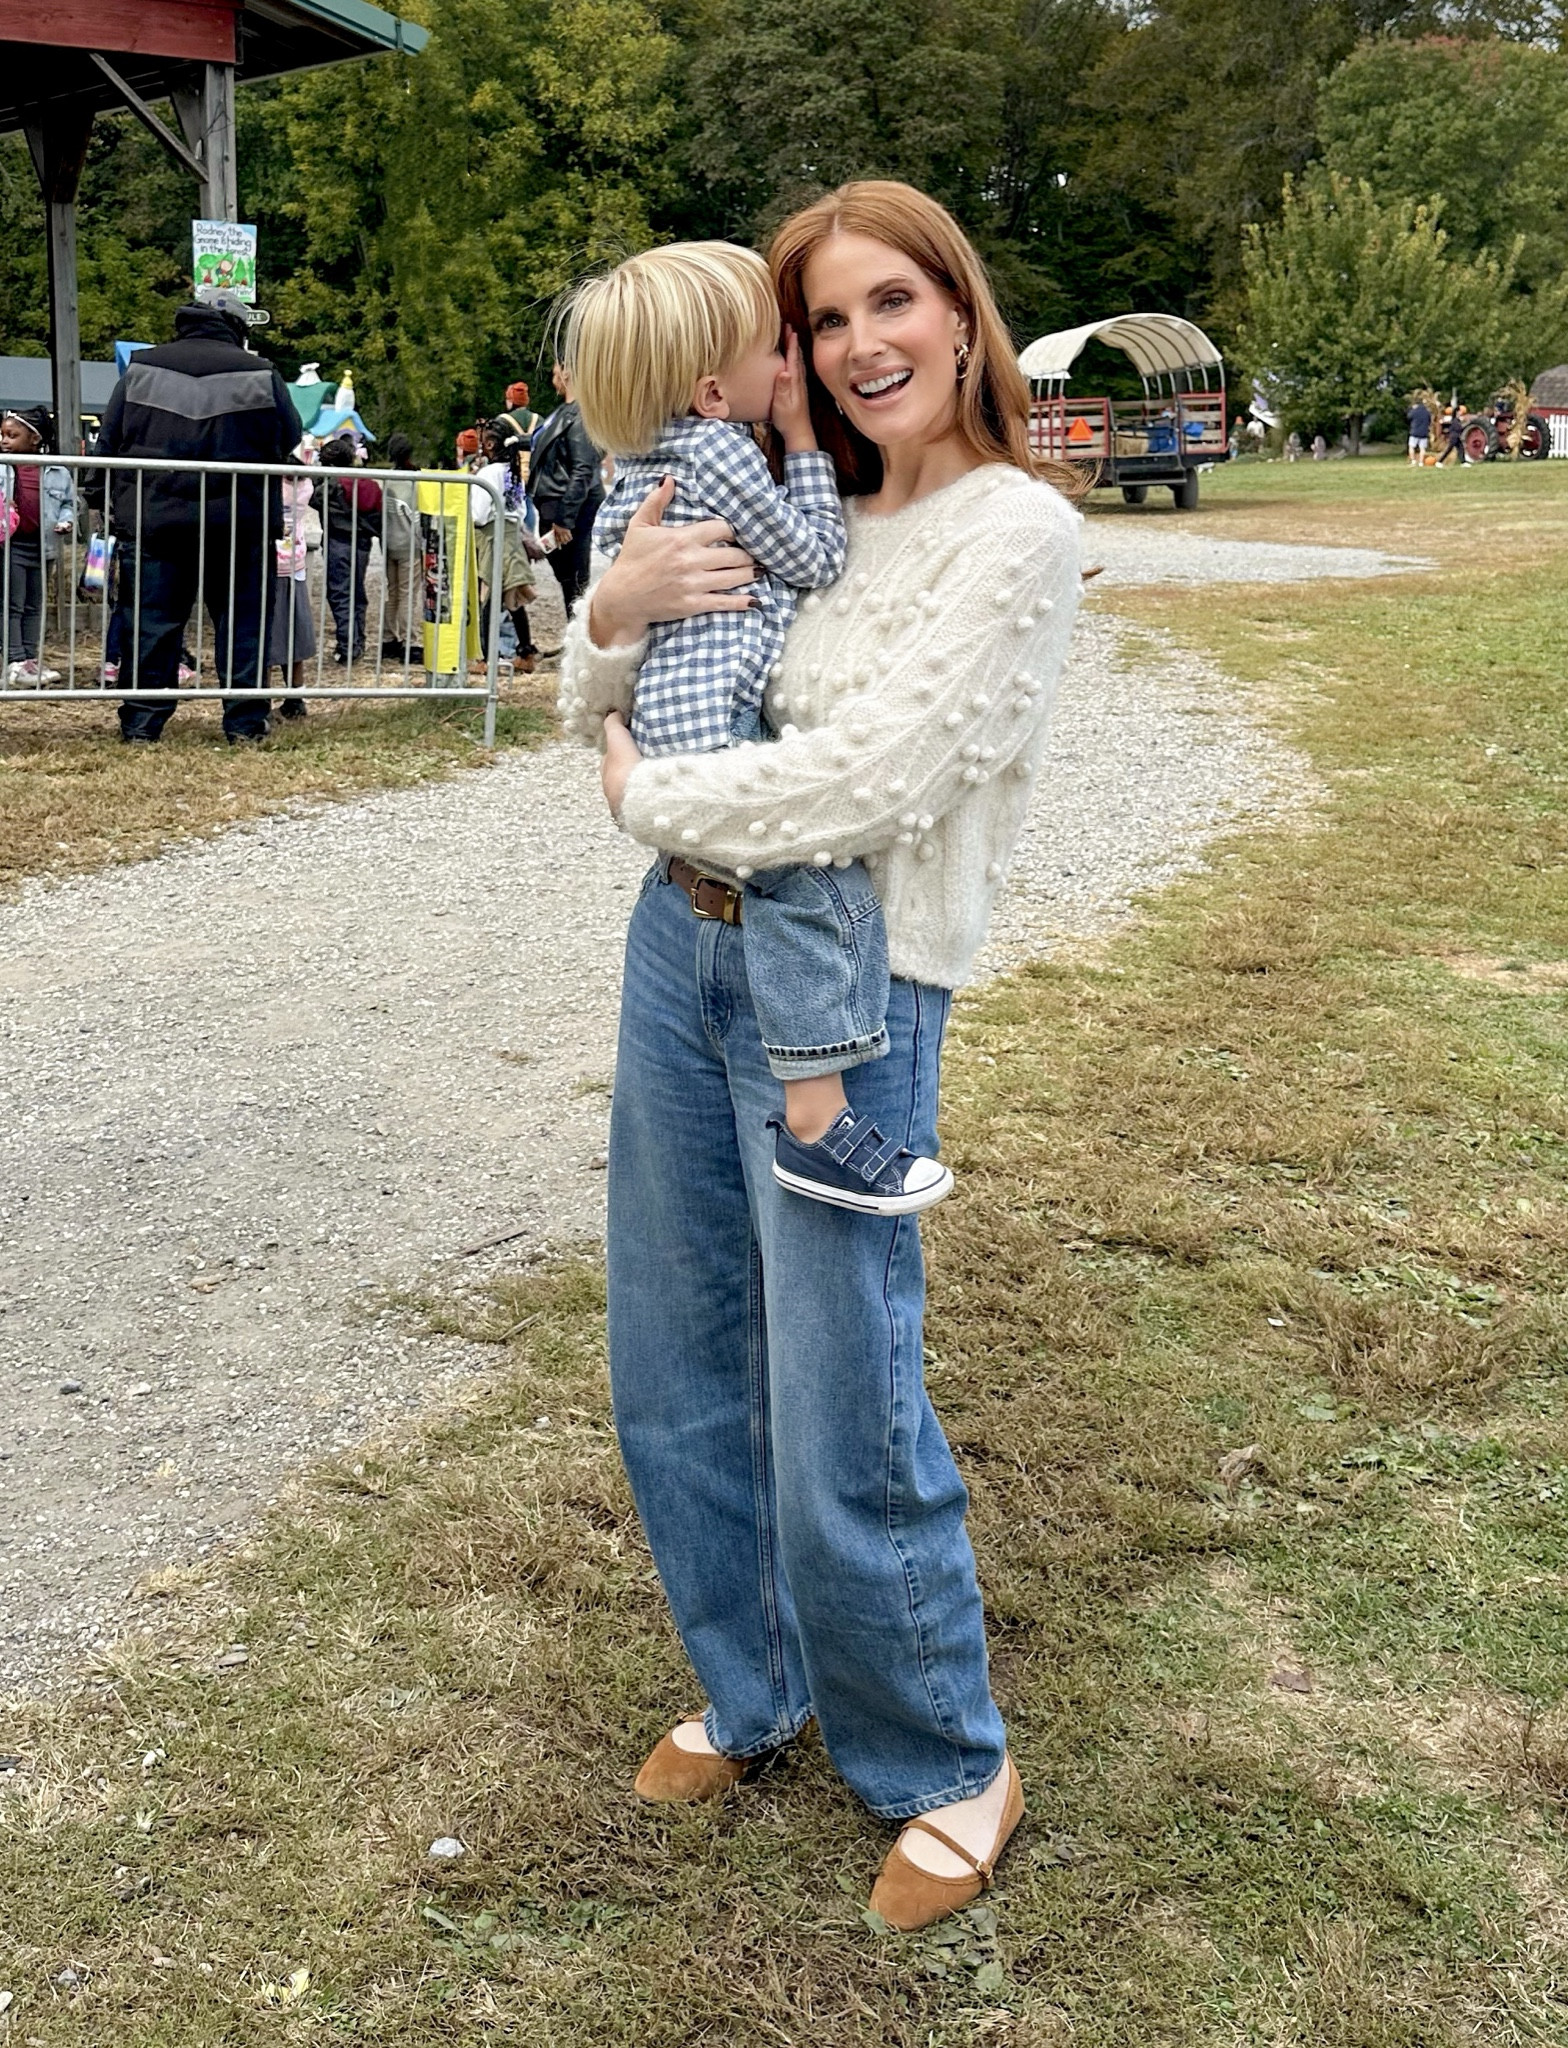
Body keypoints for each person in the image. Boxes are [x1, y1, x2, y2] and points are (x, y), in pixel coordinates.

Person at [558, 180, 1083, 1931]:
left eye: (888, 305)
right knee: (675, 1343)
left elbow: (876, 781)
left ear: (957, 309)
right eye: (819, 319)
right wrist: (602, 608)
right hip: (677, 949)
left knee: (840, 1384)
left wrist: (649, 797)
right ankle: (752, 1676)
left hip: (850, 994)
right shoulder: (805, 499)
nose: (857, 348)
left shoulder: (1008, 532)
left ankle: (944, 1755)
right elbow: (603, 672)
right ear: (769, 356)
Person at [571, 241, 947, 1212]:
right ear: (711, 390)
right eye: (768, 349)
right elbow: (817, 555)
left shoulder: (645, 457)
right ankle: (817, 1119)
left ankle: (812, 1111)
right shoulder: (721, 451)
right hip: (713, 722)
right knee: (807, 878)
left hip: (668, 717)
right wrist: (805, 442)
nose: (789, 364)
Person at [93, 289, 302, 744]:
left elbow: (108, 442)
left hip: (155, 521)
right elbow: (288, 435)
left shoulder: (143, 369)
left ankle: (141, 725)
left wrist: (103, 500)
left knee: (151, 625)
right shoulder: (261, 373)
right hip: (239, 523)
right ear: (239, 328)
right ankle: (244, 725)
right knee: (242, 626)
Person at [1, 405, 75, 685]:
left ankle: (31, 659)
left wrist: (66, 520)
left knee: (35, 604)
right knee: (12, 603)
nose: (4, 441)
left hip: (43, 546)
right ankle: (15, 659)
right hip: (12, 545)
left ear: (34, 439)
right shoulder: (2, 467)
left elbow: (69, 503)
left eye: (12, 435)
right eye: (2, 435)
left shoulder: (56, 471)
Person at [530, 361, 603, 610]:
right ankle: (575, 633)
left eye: (555, 373)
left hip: (566, 504)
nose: (553, 380)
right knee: (567, 578)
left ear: (568, 372)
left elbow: (582, 468)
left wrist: (565, 518)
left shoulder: (580, 416)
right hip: (555, 501)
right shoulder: (563, 413)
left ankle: (580, 635)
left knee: (574, 578)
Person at [470, 419, 539, 672]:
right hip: (511, 536)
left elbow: (478, 513)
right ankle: (525, 652)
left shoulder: (487, 474)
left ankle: (485, 658)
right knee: (513, 598)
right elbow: (520, 510)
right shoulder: (512, 472)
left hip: (491, 535)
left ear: (489, 444)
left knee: (487, 596)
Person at [318, 433, 383, 662]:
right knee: (356, 593)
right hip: (363, 544)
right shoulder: (366, 483)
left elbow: (314, 499)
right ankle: (358, 640)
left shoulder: (332, 485)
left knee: (340, 594)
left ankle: (347, 646)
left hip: (339, 542)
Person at [268, 457, 318, 718]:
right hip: (295, 562)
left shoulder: (272, 482)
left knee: (265, 635)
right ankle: (295, 695)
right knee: (294, 633)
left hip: (271, 563)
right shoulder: (304, 484)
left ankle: (260, 697)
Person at [380, 430, 422, 665]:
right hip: (409, 545)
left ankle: (388, 638)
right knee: (408, 595)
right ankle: (410, 641)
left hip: (389, 543)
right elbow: (416, 517)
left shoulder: (387, 480)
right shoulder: (414, 482)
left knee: (392, 592)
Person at [1407, 397, 1432, 466]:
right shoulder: (1427, 412)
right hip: (1424, 432)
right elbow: (1430, 421)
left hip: (1414, 432)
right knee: (1422, 448)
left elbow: (1408, 417)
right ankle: (1421, 462)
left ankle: (1413, 461)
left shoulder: (1414, 411)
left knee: (1411, 447)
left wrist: (1412, 409)